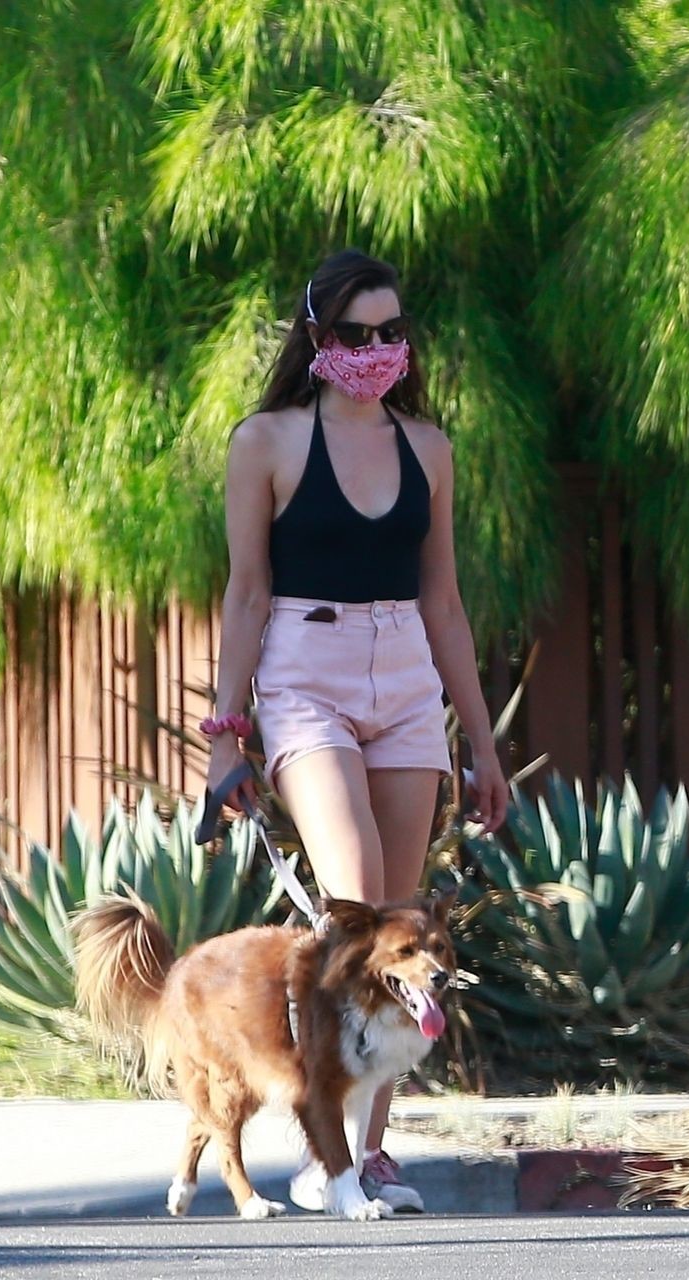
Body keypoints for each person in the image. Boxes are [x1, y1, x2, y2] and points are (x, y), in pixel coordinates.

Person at [203, 248, 511, 1213]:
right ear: (316, 337)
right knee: (355, 905)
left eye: (391, 333)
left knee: (402, 924)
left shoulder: (429, 449)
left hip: (406, 671)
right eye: (354, 334)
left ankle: (369, 1153)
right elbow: (246, 593)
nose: (375, 349)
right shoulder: (268, 441)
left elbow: (445, 603)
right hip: (306, 669)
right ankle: (327, 1143)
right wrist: (225, 735)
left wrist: (483, 745)